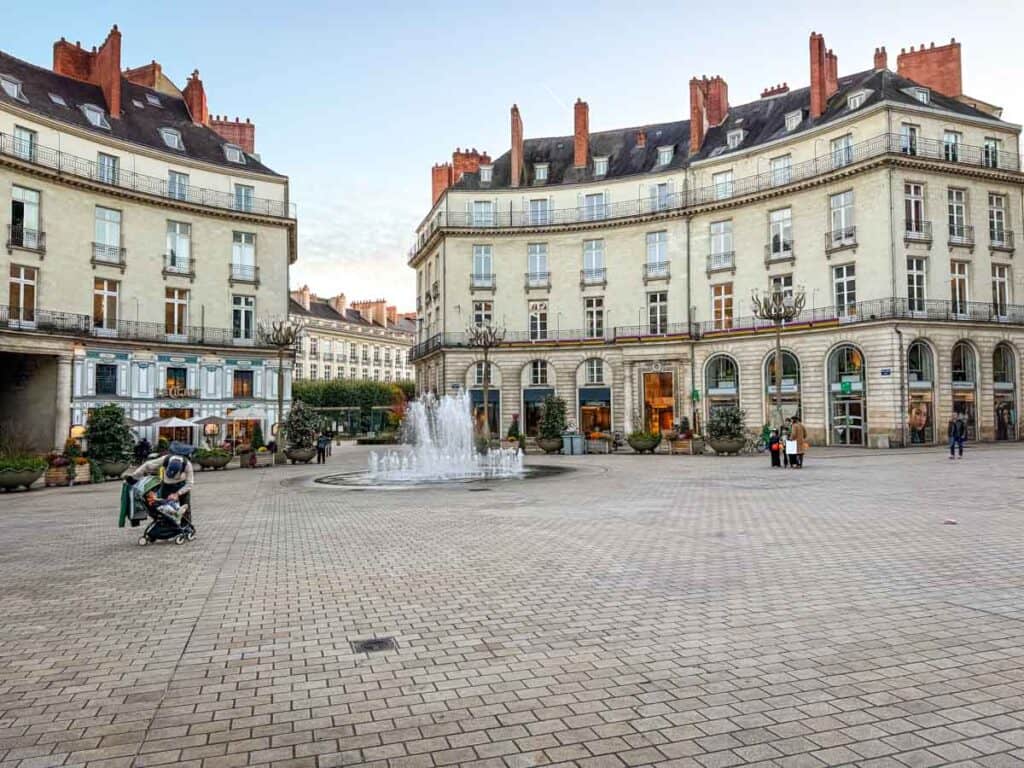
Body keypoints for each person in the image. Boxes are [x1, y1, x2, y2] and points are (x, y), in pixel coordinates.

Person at [128, 442, 195, 528]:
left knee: (185, 508)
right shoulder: (165, 459)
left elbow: (190, 483)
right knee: (164, 508)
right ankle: (167, 528)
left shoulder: (187, 465)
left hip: (181, 485)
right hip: (167, 485)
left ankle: (187, 528)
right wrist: (134, 476)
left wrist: (178, 494)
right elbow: (147, 465)